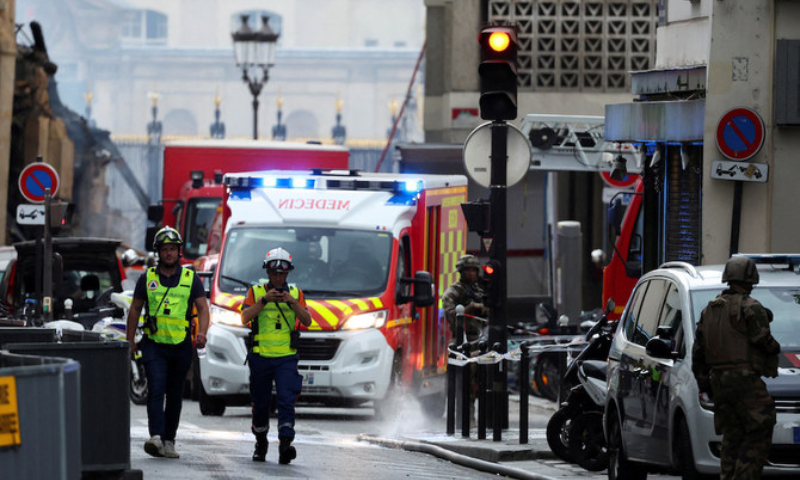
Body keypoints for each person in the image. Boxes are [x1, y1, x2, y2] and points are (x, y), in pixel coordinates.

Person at [692, 255, 781, 479]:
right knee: (759, 430)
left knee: (732, 435)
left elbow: (698, 354)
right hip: (745, 381)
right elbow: (764, 341)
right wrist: (775, 348)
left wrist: (705, 384)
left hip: (720, 383)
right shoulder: (751, 307)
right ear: (750, 280)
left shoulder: (709, 311)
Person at [126, 226, 210, 459]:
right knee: (156, 389)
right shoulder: (147, 278)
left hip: (181, 346)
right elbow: (134, 310)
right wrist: (130, 340)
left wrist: (202, 332)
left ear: (178, 251)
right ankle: (155, 437)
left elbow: (203, 308)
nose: (169, 253)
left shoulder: (190, 278)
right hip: (154, 344)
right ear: (158, 252)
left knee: (174, 395)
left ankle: (169, 440)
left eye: (173, 249)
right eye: (165, 249)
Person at [240, 247, 312, 465]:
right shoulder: (255, 292)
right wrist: (263, 301)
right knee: (261, 404)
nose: (278, 278)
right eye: (275, 273)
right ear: (268, 272)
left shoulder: (296, 294)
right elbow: (244, 317)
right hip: (261, 357)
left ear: (288, 273)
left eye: (282, 274)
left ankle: (285, 444)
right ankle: (261, 442)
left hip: (286, 358)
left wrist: (293, 302)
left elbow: (307, 321)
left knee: (286, 400)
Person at [442, 254, 489, 427]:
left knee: (486, 382)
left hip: (482, 339)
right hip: (462, 342)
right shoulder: (453, 293)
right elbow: (451, 316)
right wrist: (468, 309)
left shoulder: (480, 290)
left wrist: (483, 308)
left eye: (473, 270)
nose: (471, 274)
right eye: (467, 270)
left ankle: (485, 419)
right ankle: (467, 419)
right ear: (461, 272)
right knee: (466, 384)